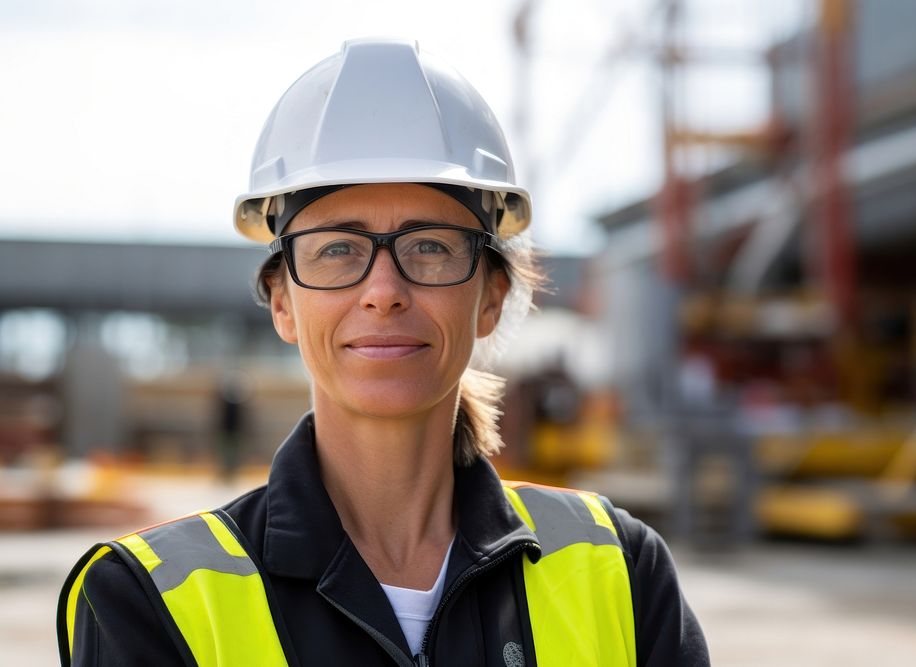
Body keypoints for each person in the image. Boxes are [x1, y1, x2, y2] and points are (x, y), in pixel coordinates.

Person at [57, 38, 709, 666]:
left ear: (490, 296)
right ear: (283, 301)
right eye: (338, 248)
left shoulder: (622, 572)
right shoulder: (147, 601)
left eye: (429, 245)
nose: (384, 291)